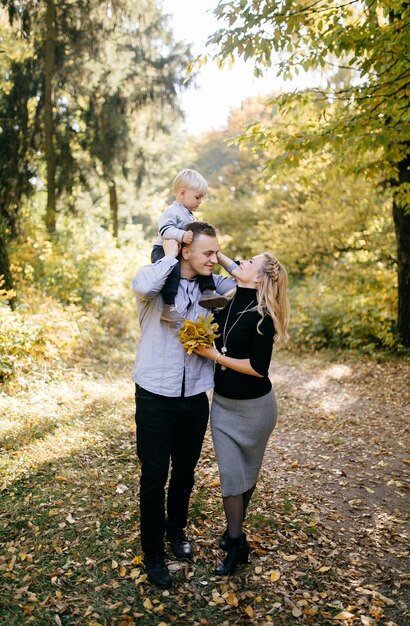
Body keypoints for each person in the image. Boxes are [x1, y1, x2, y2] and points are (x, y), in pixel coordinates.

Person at [132, 221, 237, 589]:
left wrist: (218, 257)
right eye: (207, 253)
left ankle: (176, 533)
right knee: (154, 475)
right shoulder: (158, 281)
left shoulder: (215, 287)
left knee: (185, 473)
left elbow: (248, 283)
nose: (213, 259)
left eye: (216, 252)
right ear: (187, 250)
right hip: (154, 394)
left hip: (195, 395)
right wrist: (173, 253)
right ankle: (152, 552)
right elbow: (142, 284)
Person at [194, 251, 290, 576]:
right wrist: (211, 251)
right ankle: (237, 543)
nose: (240, 262)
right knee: (231, 477)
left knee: (246, 476)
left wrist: (213, 356)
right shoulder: (230, 299)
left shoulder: (263, 316)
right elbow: (233, 267)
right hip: (223, 407)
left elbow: (258, 369)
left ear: (259, 278)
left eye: (249, 262)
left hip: (257, 411)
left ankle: (233, 532)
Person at [151, 168, 228, 323]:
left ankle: (207, 291)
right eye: (197, 197)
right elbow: (165, 230)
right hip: (164, 250)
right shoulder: (173, 211)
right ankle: (169, 305)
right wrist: (182, 235)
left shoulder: (189, 214)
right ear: (182, 193)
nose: (200, 201)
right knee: (173, 271)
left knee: (200, 264)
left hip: (181, 250)